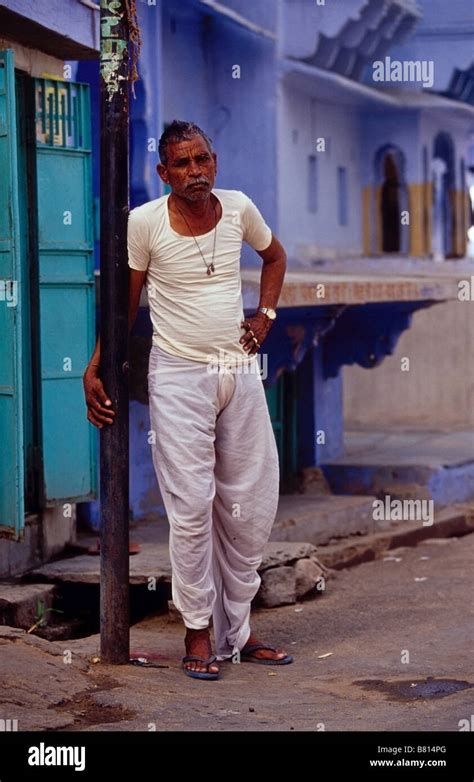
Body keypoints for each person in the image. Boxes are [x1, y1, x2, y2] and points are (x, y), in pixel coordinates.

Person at [83, 120, 292, 680]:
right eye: (182, 164)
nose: (195, 172)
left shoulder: (239, 207)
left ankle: (238, 632)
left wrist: (265, 316)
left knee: (248, 502)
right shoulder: (145, 222)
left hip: (237, 371)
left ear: (214, 161)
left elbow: (275, 257)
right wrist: (99, 362)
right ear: (163, 173)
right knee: (192, 510)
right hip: (177, 375)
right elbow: (123, 306)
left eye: (201, 160)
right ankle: (198, 633)